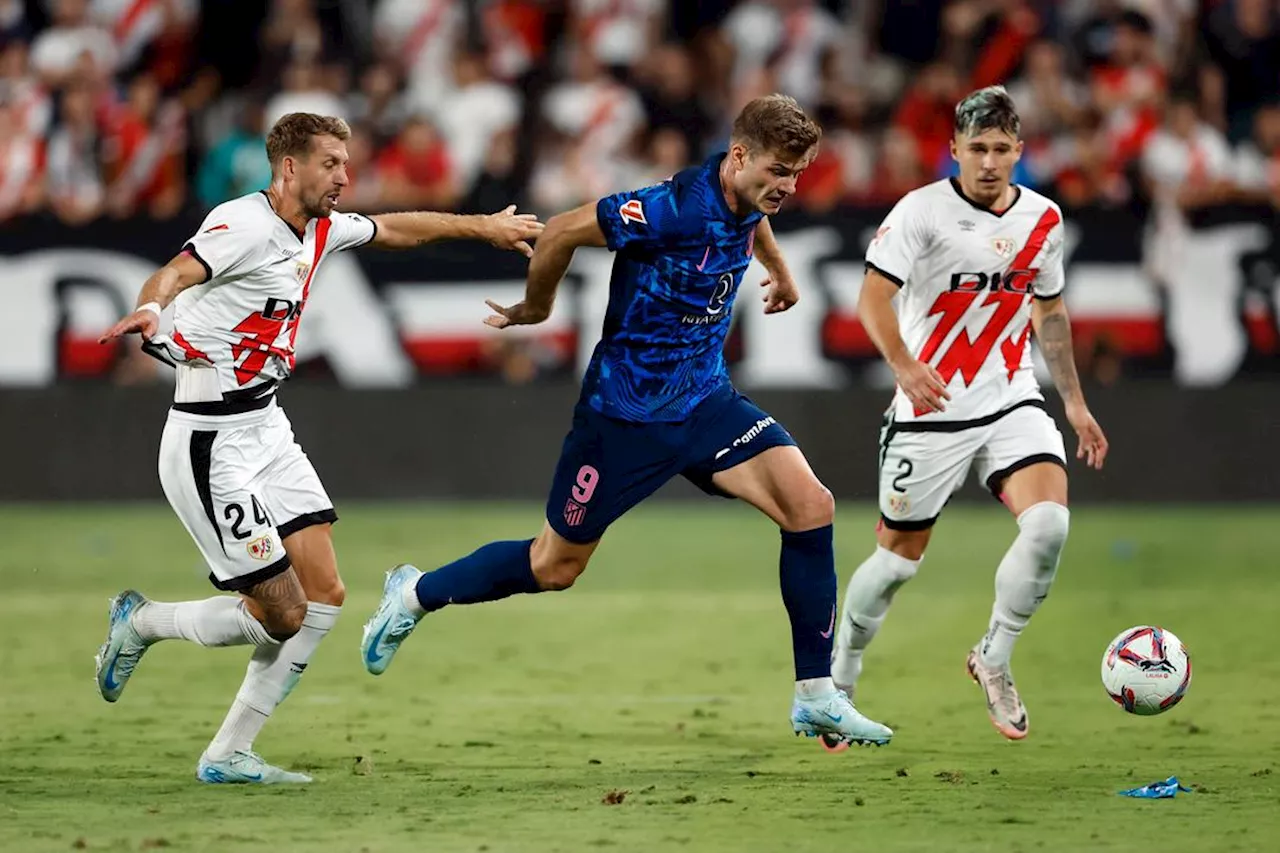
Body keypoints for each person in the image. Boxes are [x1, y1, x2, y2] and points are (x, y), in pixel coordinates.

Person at [357, 94, 894, 749]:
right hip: (625, 415)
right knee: (554, 565)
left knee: (810, 505)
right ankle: (414, 593)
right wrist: (535, 305)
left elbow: (753, 218)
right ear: (740, 156)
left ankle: (816, 695)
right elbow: (558, 231)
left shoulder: (744, 193)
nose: (787, 186)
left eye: (797, 174)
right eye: (778, 170)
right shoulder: (669, 210)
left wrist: (778, 270)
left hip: (704, 400)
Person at [93, 112, 543, 783]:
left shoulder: (322, 228)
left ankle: (227, 754)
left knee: (327, 591)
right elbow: (175, 273)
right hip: (209, 442)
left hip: (266, 427)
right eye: (331, 162)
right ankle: (143, 622)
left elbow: (395, 227)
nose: (344, 174)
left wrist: (487, 227)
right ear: (289, 168)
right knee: (282, 613)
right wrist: (153, 309)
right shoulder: (241, 224)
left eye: (345, 161)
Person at [829, 85, 1109, 745]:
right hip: (931, 408)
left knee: (1048, 527)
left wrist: (1073, 402)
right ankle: (840, 676)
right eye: (976, 148)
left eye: (1001, 148)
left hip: (1012, 398)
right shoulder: (920, 212)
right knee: (896, 562)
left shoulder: (1044, 219)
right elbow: (872, 299)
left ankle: (995, 655)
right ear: (952, 149)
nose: (988, 161)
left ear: (1019, 151)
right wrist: (902, 362)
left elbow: (1049, 310)